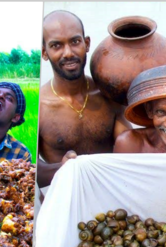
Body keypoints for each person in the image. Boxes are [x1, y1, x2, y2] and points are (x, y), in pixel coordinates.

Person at [38, 10, 132, 188]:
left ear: (86, 44)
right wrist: (63, 168)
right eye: (56, 45)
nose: (68, 53)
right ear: (44, 52)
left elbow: (128, 153)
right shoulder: (38, 107)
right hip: (63, 203)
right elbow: (35, 173)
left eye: (75, 42)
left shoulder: (108, 96)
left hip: (111, 201)